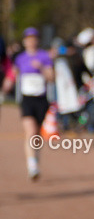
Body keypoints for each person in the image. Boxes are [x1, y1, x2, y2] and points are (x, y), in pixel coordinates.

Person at [3, 27, 54, 180]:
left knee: (36, 135)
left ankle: (35, 158)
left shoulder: (44, 56)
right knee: (30, 131)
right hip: (27, 99)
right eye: (28, 38)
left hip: (41, 99)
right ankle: (32, 165)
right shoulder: (20, 58)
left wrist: (42, 68)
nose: (31, 41)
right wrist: (6, 86)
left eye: (34, 38)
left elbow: (51, 77)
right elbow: (12, 75)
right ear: (25, 41)